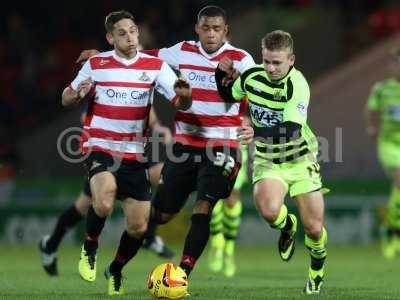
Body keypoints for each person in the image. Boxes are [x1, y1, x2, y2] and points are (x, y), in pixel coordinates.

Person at [77, 5, 255, 280]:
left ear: (226, 30)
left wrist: (251, 123)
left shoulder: (241, 60)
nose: (211, 34)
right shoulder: (182, 50)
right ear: (197, 29)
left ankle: (182, 274)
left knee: (203, 206)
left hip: (223, 143)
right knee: (158, 216)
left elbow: (262, 91)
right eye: (205, 28)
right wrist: (102, 57)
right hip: (185, 146)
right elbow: (141, 58)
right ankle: (116, 268)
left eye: (217, 28)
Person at [62, 10, 191, 296]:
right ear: (110, 38)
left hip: (134, 152)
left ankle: (115, 270)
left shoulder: (155, 66)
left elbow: (180, 102)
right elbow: (66, 96)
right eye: (122, 33)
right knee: (104, 200)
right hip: (98, 145)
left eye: (133, 31)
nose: (131, 37)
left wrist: (186, 95)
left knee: (138, 226)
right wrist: (76, 94)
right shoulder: (96, 64)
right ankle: (90, 246)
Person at [215, 30, 328, 295]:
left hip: (300, 159)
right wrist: (220, 74)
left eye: (277, 62)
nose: (271, 68)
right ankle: (286, 225)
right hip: (269, 159)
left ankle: (316, 270)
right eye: (266, 61)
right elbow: (229, 94)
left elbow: (291, 129)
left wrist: (256, 133)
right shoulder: (252, 76)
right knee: (268, 210)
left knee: (314, 228)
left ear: (291, 60)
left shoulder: (297, 84)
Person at [39, 110, 175, 277]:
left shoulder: (143, 86)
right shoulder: (107, 87)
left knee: (165, 176)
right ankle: (51, 245)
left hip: (134, 152)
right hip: (106, 152)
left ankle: (150, 237)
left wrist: (158, 127)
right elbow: (86, 115)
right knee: (83, 206)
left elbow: (148, 108)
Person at [366, 47, 400, 259]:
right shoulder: (382, 89)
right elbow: (371, 109)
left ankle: (391, 229)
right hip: (389, 144)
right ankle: (392, 232)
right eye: (395, 62)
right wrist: (371, 127)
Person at [208, 115, 252, 277]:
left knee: (232, 198)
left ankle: (229, 249)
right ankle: (217, 242)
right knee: (213, 195)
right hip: (214, 145)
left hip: (236, 148)